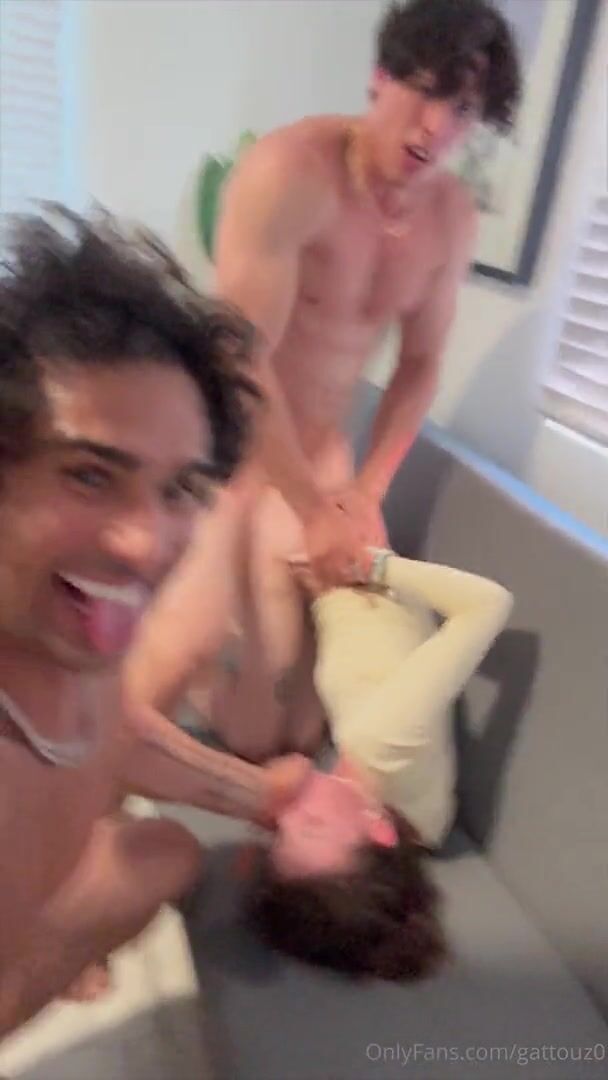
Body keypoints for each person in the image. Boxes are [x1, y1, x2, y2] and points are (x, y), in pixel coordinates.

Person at [127, 0, 521, 760]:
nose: (436, 127)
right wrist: (314, 511)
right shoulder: (290, 172)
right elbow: (239, 357)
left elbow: (420, 364)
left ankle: (214, 679)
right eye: (426, 90)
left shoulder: (450, 218)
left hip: (321, 459)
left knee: (287, 733)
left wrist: (366, 491)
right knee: (184, 643)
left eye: (463, 110)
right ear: (380, 78)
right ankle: (85, 795)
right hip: (229, 450)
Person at [0, 205, 309, 1037]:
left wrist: (270, 794)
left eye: (179, 490)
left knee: (166, 855)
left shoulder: (70, 646)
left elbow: (117, 729)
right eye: (89, 475)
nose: (146, 546)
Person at [246, 548, 513, 980]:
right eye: (312, 825)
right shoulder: (382, 737)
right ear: (378, 829)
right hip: (356, 569)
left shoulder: (422, 828)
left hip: (329, 594)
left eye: (281, 834)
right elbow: (491, 603)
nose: (287, 813)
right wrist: (369, 564)